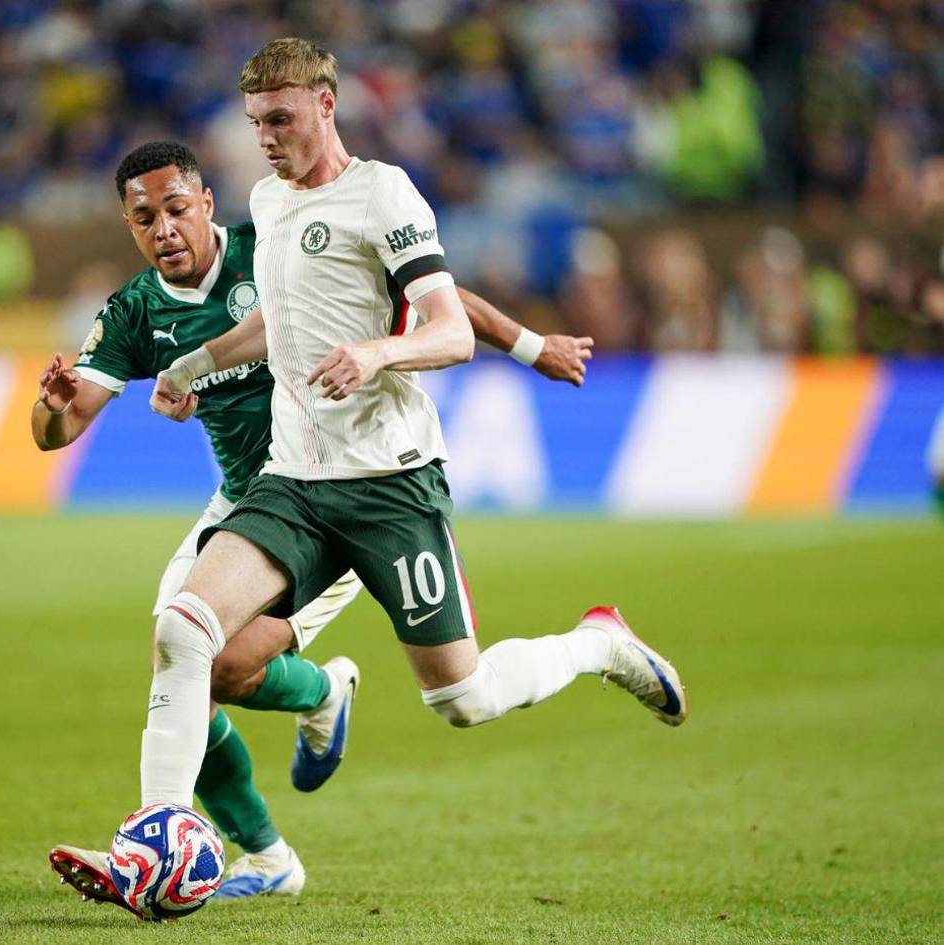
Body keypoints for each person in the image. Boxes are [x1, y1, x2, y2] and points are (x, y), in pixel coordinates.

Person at [134, 36, 687, 897]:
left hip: (391, 484)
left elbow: (449, 327)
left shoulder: (383, 193)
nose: (266, 138)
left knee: (461, 698)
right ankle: (158, 834)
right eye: (255, 123)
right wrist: (194, 365)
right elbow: (280, 319)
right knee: (184, 630)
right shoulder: (268, 200)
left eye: (280, 119)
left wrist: (378, 352)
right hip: (294, 483)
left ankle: (598, 644)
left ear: (326, 105)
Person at [37, 139, 593, 913]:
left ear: (205, 202)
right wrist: (52, 407)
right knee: (183, 656)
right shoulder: (135, 310)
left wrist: (531, 346)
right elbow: (59, 429)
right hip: (245, 505)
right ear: (128, 225)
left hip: (325, 497)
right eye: (144, 218)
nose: (163, 229)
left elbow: (433, 295)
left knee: (214, 665)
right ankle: (254, 834)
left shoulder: (271, 244)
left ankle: (213, 821)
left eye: (175, 208)